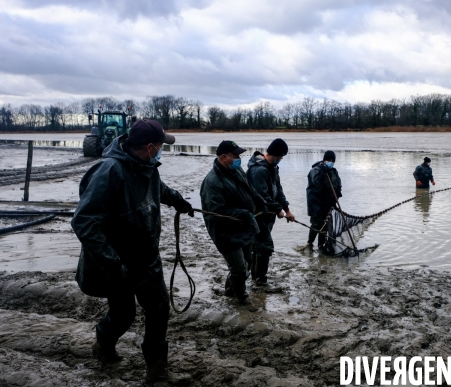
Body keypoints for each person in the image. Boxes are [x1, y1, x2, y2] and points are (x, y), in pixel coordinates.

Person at [71, 119, 193, 383]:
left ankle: (157, 370)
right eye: (161, 145)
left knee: (159, 309)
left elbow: (157, 189)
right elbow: (83, 221)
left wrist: (177, 200)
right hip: (118, 263)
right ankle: (103, 344)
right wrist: (111, 264)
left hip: (147, 258)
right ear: (150, 147)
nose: (163, 150)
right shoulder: (109, 172)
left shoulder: (147, 166)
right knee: (124, 314)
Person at [200, 140, 265, 304]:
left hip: (244, 225)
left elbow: (249, 188)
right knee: (239, 268)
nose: (239, 158)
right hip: (225, 231)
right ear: (224, 157)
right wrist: (244, 213)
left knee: (247, 262)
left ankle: (230, 290)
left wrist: (261, 200)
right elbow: (217, 212)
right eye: (235, 155)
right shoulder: (212, 181)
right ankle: (241, 297)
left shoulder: (236, 170)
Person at [246, 138, 295, 290]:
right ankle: (260, 282)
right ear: (273, 154)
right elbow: (261, 196)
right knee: (265, 246)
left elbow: (278, 191)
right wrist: (277, 209)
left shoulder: (273, 168)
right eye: (280, 157)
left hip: (268, 216)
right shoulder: (258, 170)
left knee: (258, 246)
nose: (280, 160)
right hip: (257, 214)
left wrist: (286, 210)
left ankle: (255, 278)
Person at [306, 150, 342, 251]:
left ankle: (321, 246)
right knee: (316, 225)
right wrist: (323, 172)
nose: (331, 162)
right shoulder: (315, 170)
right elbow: (317, 184)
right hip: (315, 203)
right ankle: (309, 244)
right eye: (329, 160)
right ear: (324, 160)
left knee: (325, 226)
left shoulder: (334, 172)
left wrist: (336, 197)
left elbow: (338, 185)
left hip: (328, 204)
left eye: (332, 161)